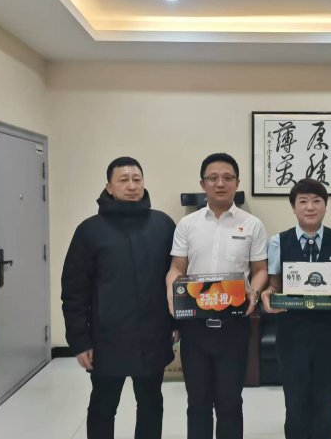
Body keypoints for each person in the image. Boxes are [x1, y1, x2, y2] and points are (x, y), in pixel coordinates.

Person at [61, 157, 175, 439]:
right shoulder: (89, 231)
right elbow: (74, 291)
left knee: (151, 404)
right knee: (103, 406)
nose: (132, 186)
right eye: (123, 180)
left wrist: (176, 323)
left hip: (153, 335)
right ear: (109, 187)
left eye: (137, 179)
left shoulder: (162, 225)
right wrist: (80, 340)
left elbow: (176, 280)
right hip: (106, 339)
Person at [166, 152, 268, 439]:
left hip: (234, 324)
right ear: (203, 184)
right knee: (197, 402)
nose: (220, 183)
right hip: (195, 325)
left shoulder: (252, 224)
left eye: (227, 178)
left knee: (230, 402)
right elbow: (177, 268)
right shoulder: (187, 224)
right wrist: (172, 296)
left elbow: (260, 270)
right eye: (213, 178)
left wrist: (254, 291)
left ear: (237, 182)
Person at [260, 178, 331, 439]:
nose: (310, 207)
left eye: (317, 201)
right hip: (292, 334)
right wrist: (268, 293)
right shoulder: (278, 242)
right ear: (293, 207)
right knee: (295, 402)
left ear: (325, 206)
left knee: (325, 403)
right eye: (303, 201)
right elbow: (275, 284)